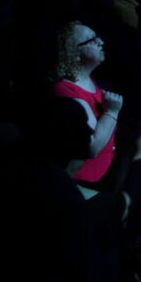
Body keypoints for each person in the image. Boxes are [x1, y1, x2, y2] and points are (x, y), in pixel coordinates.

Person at [50, 21, 124, 190]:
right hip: (84, 184)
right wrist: (112, 111)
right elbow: (92, 146)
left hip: (101, 178)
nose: (101, 42)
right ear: (74, 53)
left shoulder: (89, 81)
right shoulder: (66, 90)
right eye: (92, 40)